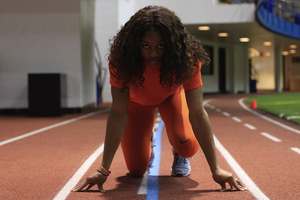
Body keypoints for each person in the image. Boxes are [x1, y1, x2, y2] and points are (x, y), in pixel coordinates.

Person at [72, 5, 247, 193]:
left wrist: (216, 169)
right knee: (137, 170)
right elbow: (118, 113)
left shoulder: (187, 59)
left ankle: (179, 153)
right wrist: (103, 170)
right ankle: (148, 141)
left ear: (172, 43)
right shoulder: (121, 60)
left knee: (186, 147)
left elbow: (197, 113)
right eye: (146, 46)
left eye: (161, 46)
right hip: (135, 105)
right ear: (135, 43)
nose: (153, 54)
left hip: (170, 98)